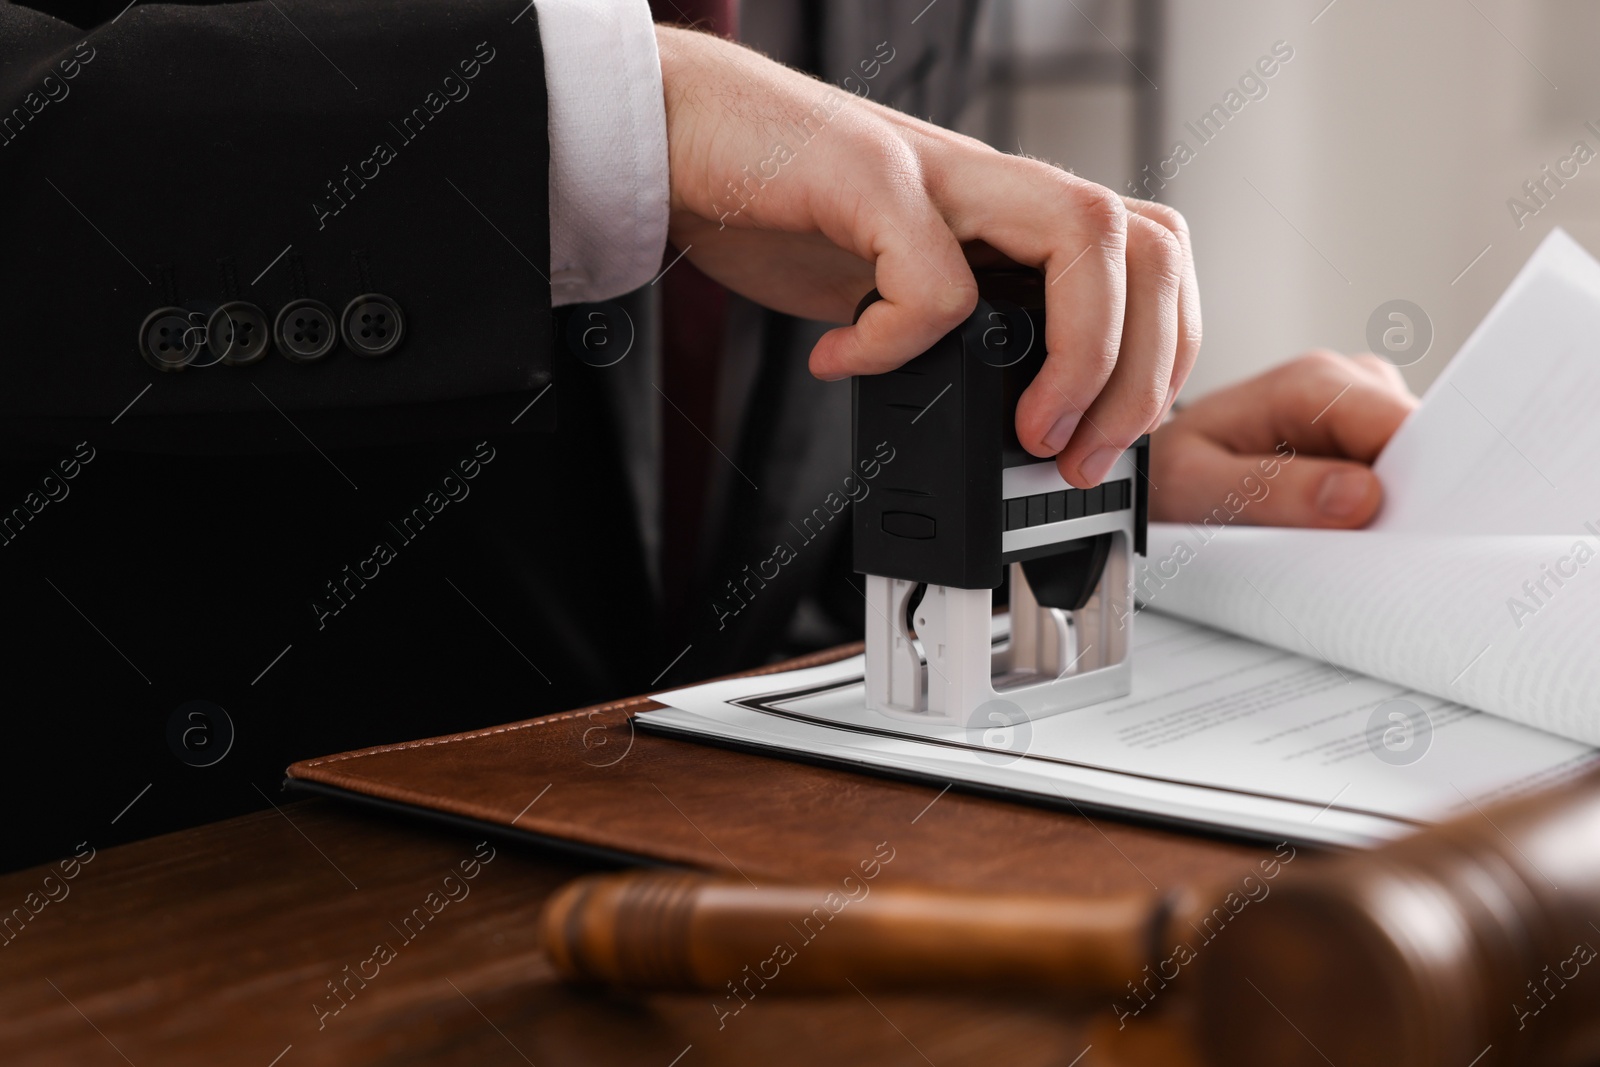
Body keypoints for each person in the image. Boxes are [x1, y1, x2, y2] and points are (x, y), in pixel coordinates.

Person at [0, 0, 1413, 873]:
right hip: (144, 897)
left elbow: (818, 402)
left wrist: (1058, 485)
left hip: (734, 923)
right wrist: (609, 123)